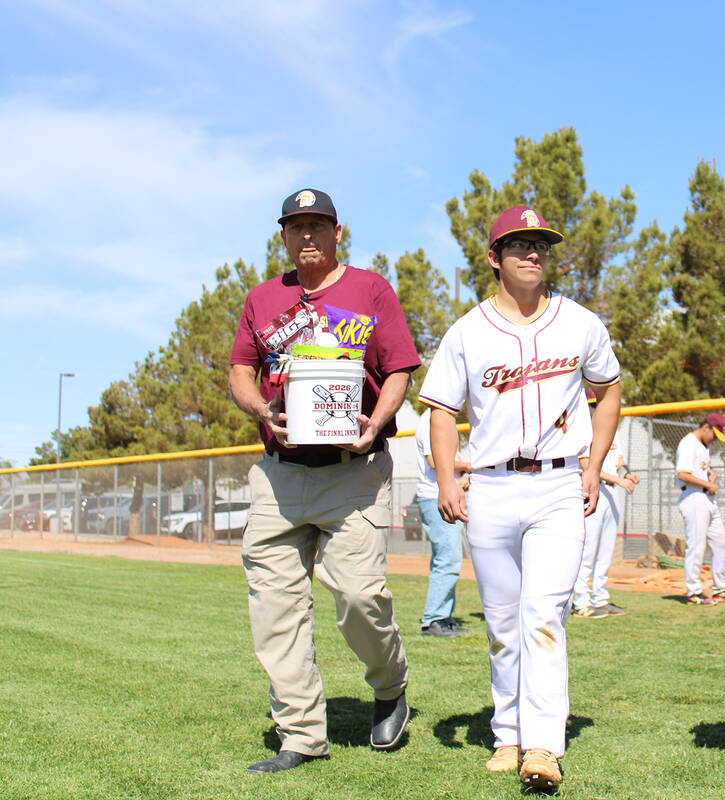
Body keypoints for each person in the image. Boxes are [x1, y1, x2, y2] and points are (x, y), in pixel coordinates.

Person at [418, 205, 621, 793]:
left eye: (541, 244)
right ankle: (507, 733)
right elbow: (441, 412)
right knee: (504, 622)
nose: (532, 253)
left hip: (559, 483)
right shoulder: (467, 330)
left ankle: (542, 745)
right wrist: (447, 480)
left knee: (544, 616)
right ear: (493, 257)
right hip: (494, 487)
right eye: (518, 244)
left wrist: (595, 464)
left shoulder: (579, 322)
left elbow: (607, 392)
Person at [229, 188, 418, 774]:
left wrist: (378, 422)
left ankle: (390, 686)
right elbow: (240, 369)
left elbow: (400, 369)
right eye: (296, 226)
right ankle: (301, 734)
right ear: (283, 236)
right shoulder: (263, 299)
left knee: (359, 596)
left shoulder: (370, 289)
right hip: (280, 476)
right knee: (275, 609)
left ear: (339, 232)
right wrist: (262, 410)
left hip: (352, 470)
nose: (307, 235)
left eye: (318, 225)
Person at [573, 393, 639, 618]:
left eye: (599, 404)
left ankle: (599, 598)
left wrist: (628, 473)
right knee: (588, 549)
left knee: (606, 549)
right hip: (592, 490)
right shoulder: (582, 430)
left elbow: (618, 460)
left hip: (612, 493)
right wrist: (619, 479)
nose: (596, 408)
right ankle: (580, 601)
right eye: (592, 405)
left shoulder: (611, 428)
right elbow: (585, 465)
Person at [413, 407, 471, 637]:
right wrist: (467, 466)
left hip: (441, 495)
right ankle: (434, 619)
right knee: (448, 558)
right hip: (435, 496)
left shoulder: (439, 418)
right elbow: (435, 461)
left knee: (446, 558)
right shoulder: (431, 418)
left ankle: (443, 617)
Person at [677, 413, 725, 605]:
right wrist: (707, 483)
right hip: (694, 497)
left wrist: (710, 476)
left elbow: (701, 470)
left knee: (721, 543)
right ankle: (694, 592)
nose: (715, 439)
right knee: (697, 546)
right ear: (706, 427)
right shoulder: (688, 443)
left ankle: (720, 588)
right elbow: (682, 474)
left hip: (706, 498)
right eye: (714, 434)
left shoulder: (704, 446)